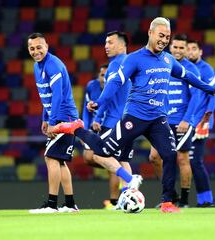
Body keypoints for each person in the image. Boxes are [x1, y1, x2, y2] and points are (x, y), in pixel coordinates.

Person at [52, 17, 215, 213]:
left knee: (169, 154)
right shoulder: (134, 59)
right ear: (150, 33)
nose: (164, 40)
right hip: (135, 116)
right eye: (161, 35)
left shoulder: (168, 59)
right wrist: (99, 102)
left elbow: (187, 75)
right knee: (104, 151)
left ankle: (168, 202)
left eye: (167, 37)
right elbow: (115, 83)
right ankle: (76, 128)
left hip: (158, 118)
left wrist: (208, 88)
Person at [27, 32, 79, 213]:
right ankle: (70, 204)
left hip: (64, 117)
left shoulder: (53, 65)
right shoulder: (37, 66)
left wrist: (51, 121)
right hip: (58, 116)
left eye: (39, 47)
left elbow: (57, 95)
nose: (35, 51)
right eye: (31, 48)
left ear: (46, 46)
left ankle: (51, 204)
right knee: (60, 160)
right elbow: (46, 95)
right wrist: (44, 117)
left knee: (51, 157)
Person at [148, 34, 201, 208]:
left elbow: (196, 97)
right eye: (175, 47)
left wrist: (187, 120)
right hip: (161, 120)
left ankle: (184, 201)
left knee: (182, 159)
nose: (178, 50)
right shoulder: (162, 64)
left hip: (181, 122)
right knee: (154, 157)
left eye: (181, 47)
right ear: (170, 47)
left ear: (186, 49)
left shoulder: (191, 69)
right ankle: (171, 195)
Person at [84, 31, 134, 210]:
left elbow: (109, 93)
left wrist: (96, 106)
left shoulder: (115, 65)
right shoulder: (132, 62)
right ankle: (128, 197)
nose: (106, 46)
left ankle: (130, 181)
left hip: (113, 121)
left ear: (122, 45)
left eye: (110, 42)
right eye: (105, 42)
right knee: (123, 160)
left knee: (98, 155)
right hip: (130, 120)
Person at [187, 39, 215, 207]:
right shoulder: (184, 68)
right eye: (189, 49)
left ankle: (206, 199)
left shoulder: (206, 70)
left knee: (195, 161)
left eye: (194, 49)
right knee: (186, 161)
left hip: (200, 122)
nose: (191, 52)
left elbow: (214, 95)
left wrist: (207, 115)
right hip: (186, 120)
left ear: (200, 52)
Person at [81, 63, 108, 131]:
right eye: (102, 75)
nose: (104, 79)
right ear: (98, 76)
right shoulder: (91, 86)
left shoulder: (118, 88)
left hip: (110, 125)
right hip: (94, 126)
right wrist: (85, 129)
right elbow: (86, 110)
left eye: (107, 76)